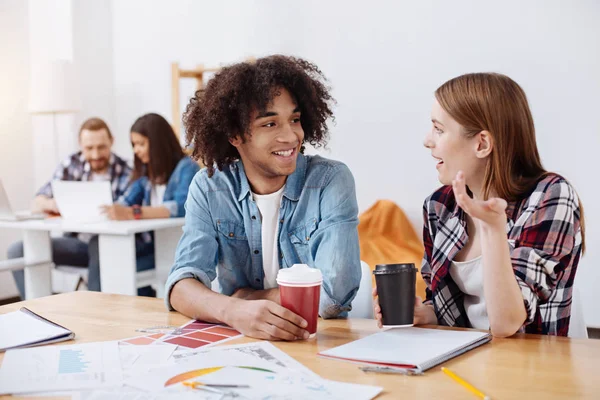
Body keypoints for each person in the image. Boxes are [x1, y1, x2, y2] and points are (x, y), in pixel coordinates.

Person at [166, 55, 361, 340]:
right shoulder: (210, 188)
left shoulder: (329, 181)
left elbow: (333, 296)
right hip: (242, 344)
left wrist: (249, 297)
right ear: (235, 134)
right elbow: (181, 285)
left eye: (294, 119)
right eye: (270, 124)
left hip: (317, 345)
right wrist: (232, 310)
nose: (291, 136)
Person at [374, 73, 585, 337]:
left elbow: (507, 323)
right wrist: (425, 313)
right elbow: (459, 309)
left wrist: (493, 229)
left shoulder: (550, 196)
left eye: (439, 129)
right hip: (473, 360)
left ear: (482, 143)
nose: (427, 140)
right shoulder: (440, 206)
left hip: (540, 366)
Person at [7, 117, 131, 299]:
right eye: (89, 148)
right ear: (80, 145)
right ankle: (37, 311)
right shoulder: (72, 164)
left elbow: (131, 211)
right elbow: (37, 202)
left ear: (111, 142)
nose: (96, 155)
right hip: (77, 244)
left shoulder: (127, 170)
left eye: (101, 147)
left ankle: (97, 313)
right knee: (17, 251)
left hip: (110, 245)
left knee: (99, 244)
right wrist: (53, 204)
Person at [91, 113, 199, 295]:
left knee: (121, 270)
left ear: (158, 142)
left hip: (176, 249)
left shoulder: (186, 167)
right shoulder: (146, 174)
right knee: (105, 255)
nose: (136, 151)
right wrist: (112, 209)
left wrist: (133, 213)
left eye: (141, 144)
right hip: (154, 247)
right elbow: (124, 202)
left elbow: (180, 207)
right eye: (134, 145)